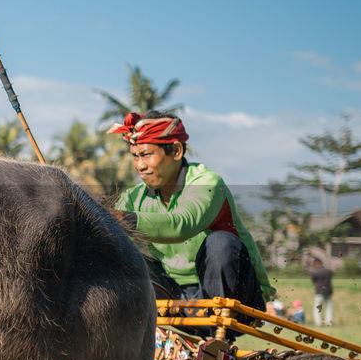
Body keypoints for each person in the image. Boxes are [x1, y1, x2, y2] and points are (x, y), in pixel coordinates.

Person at [110, 111, 274, 311]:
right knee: (121, 255)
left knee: (220, 242)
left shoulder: (208, 183)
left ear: (176, 151)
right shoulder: (134, 198)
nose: (140, 166)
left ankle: (220, 335)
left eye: (146, 155)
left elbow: (181, 225)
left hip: (237, 300)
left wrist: (120, 218)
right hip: (179, 296)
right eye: (135, 157)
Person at [308, 257, 334, 327]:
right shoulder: (328, 271)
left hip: (319, 291)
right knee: (329, 307)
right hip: (328, 291)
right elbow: (330, 280)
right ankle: (329, 322)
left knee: (317, 307)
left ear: (316, 264)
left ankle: (318, 323)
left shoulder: (315, 272)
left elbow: (314, 282)